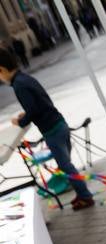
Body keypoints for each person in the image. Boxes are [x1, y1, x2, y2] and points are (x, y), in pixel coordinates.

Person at [0, 46, 94, 210]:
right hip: (59, 123)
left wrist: (20, 122)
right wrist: (27, 114)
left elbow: (34, 110)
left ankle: (85, 196)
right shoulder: (24, 78)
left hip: (52, 131)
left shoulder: (19, 85)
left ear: (2, 70)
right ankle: (81, 194)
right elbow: (37, 104)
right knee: (66, 165)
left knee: (66, 166)